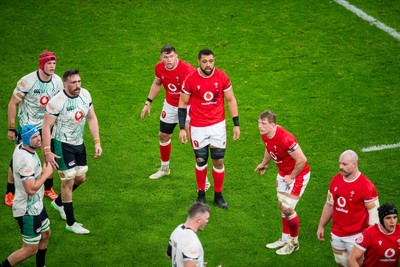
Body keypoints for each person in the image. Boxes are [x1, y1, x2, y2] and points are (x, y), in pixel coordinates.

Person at [42, 69, 102, 234]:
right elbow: (46, 126)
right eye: (73, 82)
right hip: (62, 143)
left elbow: (91, 117)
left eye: (79, 81)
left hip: (78, 143)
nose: (77, 85)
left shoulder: (85, 95)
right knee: (68, 181)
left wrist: (97, 142)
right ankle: (70, 222)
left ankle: (59, 202)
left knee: (81, 177)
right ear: (65, 83)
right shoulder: (57, 102)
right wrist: (47, 150)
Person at [178, 48, 240, 209]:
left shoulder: (221, 76)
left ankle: (218, 195)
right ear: (198, 61)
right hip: (198, 126)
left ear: (214, 61)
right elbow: (182, 104)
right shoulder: (191, 79)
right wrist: (182, 128)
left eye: (211, 61)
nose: (208, 64)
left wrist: (236, 124)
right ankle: (200, 194)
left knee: (218, 160)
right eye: (204, 61)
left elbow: (231, 99)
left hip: (217, 126)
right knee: (200, 160)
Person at [5, 50, 63, 207]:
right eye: (49, 63)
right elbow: (13, 103)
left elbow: (60, 103)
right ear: (42, 65)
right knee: (18, 160)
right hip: (27, 126)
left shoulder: (57, 81)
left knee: (48, 155)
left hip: (46, 125)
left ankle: (47, 188)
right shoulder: (27, 81)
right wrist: (11, 128)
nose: (52, 67)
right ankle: (10, 191)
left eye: (54, 63)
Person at [255, 110, 311, 255]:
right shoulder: (266, 134)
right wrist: (264, 164)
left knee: (287, 209)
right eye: (259, 122)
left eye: (264, 123)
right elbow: (269, 149)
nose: (260, 126)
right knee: (282, 206)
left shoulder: (285, 139)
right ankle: (285, 238)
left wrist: (292, 176)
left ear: (273, 125)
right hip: (283, 174)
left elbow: (302, 160)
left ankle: (293, 243)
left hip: (297, 175)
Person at [0, 125, 53, 267]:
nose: (39, 139)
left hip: (36, 205)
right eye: (34, 138)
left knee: (46, 233)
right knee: (29, 249)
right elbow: (31, 189)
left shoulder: (22, 148)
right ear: (25, 140)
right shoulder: (25, 161)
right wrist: (46, 174)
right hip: (27, 210)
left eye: (38, 135)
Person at [317, 150, 379, 267]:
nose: (340, 167)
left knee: (359, 265)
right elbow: (329, 205)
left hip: (357, 237)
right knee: (341, 264)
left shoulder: (366, 186)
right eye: (340, 163)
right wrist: (321, 226)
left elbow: (374, 215)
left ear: (354, 164)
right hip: (336, 234)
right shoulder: (336, 180)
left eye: (344, 164)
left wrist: (368, 238)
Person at [167, 202, 210, 267]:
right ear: (198, 220)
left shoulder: (178, 229)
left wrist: (196, 263)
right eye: (207, 218)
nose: (207, 221)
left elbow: (169, 254)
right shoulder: (191, 242)